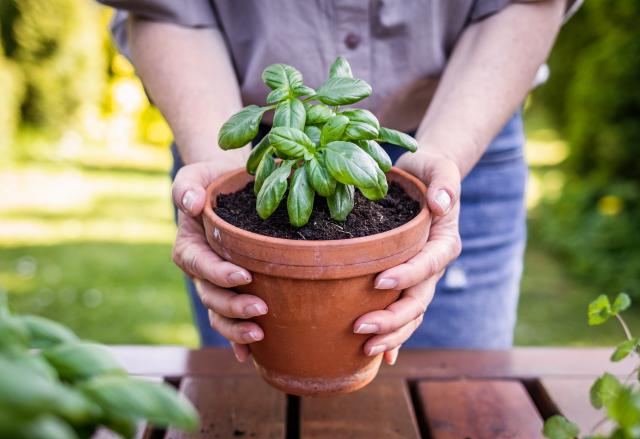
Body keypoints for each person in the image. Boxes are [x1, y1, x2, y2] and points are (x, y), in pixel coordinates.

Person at [100, 0, 579, 365]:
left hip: (465, 130)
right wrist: (224, 172)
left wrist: (445, 154)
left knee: (459, 401)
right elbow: (167, 8)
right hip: (240, 141)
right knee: (251, 408)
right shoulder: (261, 148)